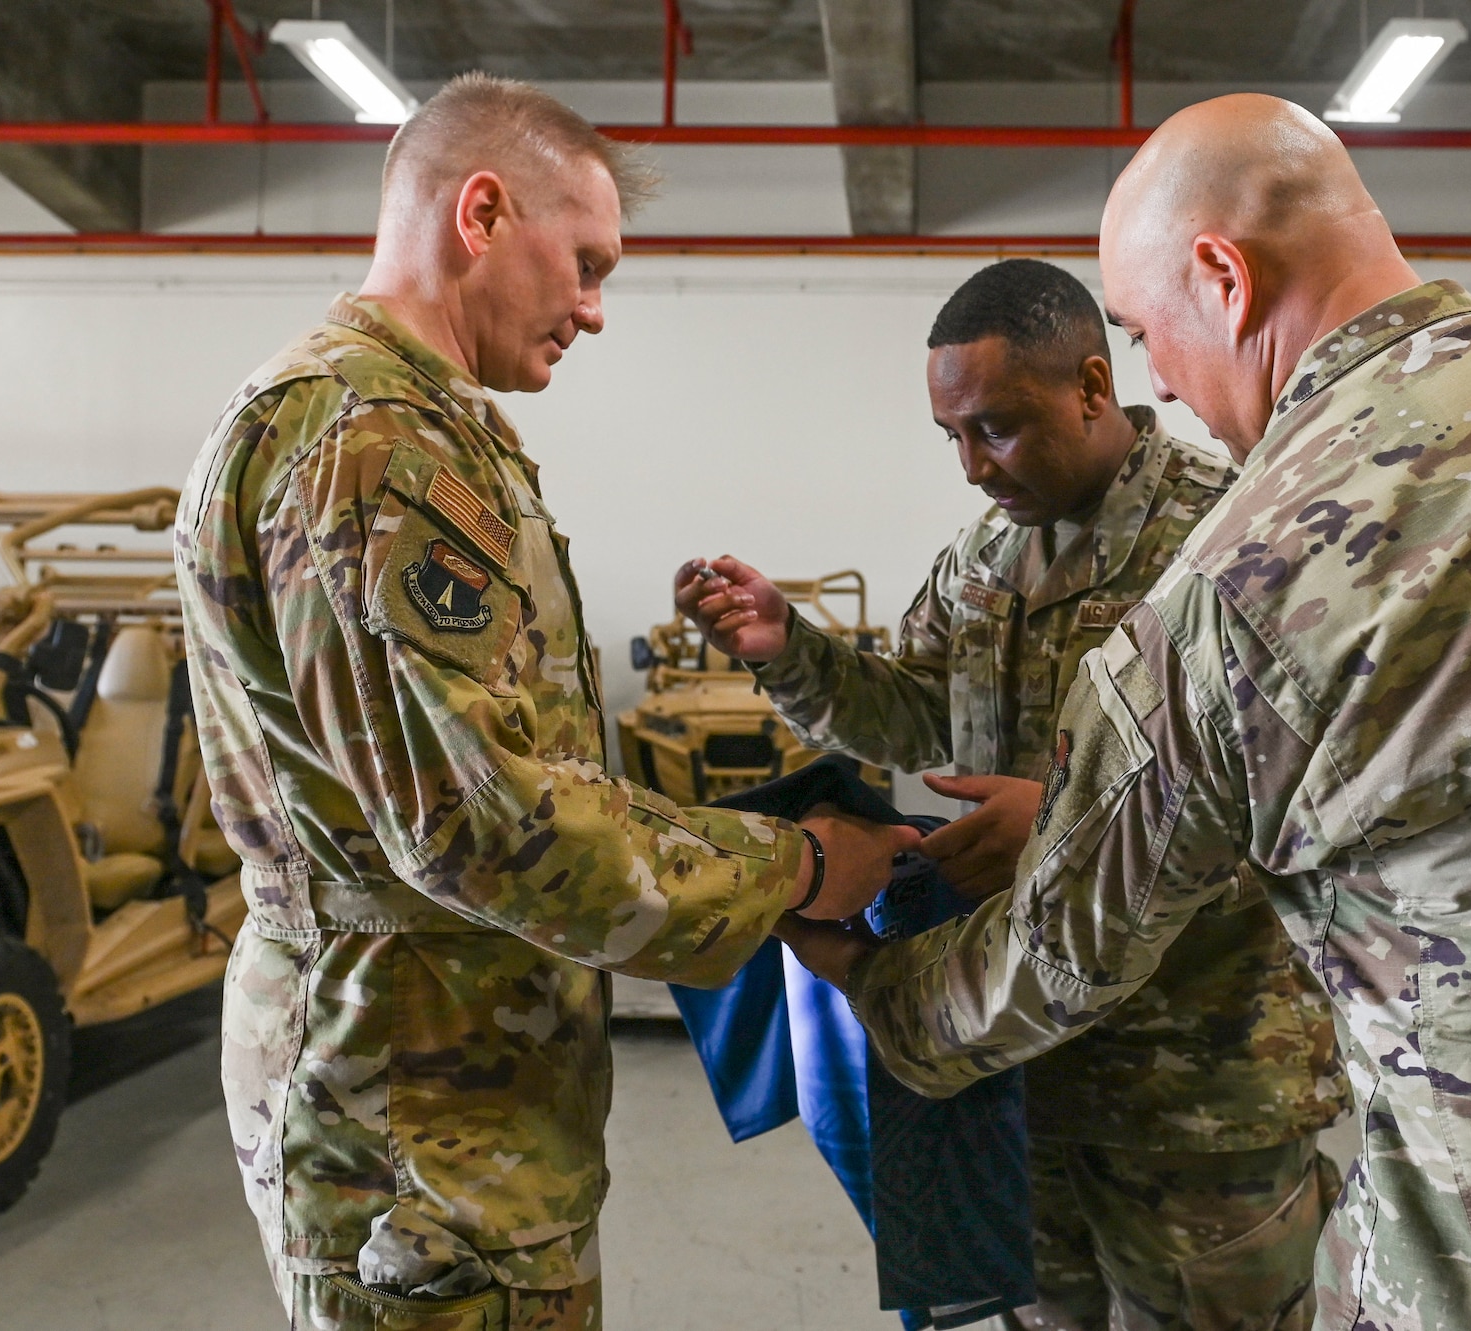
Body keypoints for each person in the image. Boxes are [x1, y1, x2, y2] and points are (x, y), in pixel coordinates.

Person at [784, 94, 1471, 1330]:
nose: (1155, 373)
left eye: (1141, 328)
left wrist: (867, 981)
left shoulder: (1235, 576)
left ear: (1220, 276)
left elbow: (1048, 958)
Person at [173, 73, 915, 1331]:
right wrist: (791, 866)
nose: (593, 309)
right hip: (413, 1105)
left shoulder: (409, 428)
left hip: (448, 1076)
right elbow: (481, 822)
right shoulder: (373, 443)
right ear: (479, 213)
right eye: (585, 261)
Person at [677, 259, 1343, 1331]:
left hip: (1193, 1083)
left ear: (1090, 385)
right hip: (1012, 1057)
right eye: (950, 435)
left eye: (995, 426)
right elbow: (914, 717)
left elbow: (1308, 794)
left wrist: (1077, 827)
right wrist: (786, 647)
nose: (972, 465)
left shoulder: (1227, 544)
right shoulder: (983, 557)